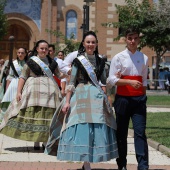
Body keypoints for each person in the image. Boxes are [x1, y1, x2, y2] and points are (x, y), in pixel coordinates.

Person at [45, 31, 118, 170]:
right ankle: (86, 162)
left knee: (96, 127)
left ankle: (90, 159)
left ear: (96, 44)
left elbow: (103, 83)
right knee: (82, 126)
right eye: (88, 42)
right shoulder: (78, 61)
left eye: (93, 42)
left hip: (96, 98)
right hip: (81, 95)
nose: (90, 45)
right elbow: (71, 82)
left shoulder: (101, 61)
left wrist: (107, 100)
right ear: (83, 44)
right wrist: (67, 102)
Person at [0, 40, 62, 150]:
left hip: (50, 93)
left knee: (48, 116)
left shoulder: (52, 63)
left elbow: (59, 75)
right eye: (42, 48)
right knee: (34, 115)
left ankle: (45, 141)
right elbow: (23, 76)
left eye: (46, 49)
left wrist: (70, 73)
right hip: (33, 91)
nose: (44, 50)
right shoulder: (30, 62)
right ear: (37, 49)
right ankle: (36, 141)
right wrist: (19, 92)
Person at [107, 27, 149, 170]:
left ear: (138, 39)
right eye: (130, 38)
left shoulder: (144, 58)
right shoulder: (118, 57)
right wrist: (128, 82)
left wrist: (143, 96)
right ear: (125, 39)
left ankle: (143, 165)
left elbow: (144, 81)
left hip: (138, 101)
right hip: (123, 100)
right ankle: (122, 164)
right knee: (121, 133)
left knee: (140, 133)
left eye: (135, 38)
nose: (132, 41)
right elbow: (111, 79)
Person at [0, 47, 28, 123]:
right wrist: (7, 90)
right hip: (14, 84)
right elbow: (10, 76)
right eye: (19, 52)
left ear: (25, 54)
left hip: (25, 84)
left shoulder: (28, 63)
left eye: (22, 53)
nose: (20, 54)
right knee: (10, 101)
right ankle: (6, 120)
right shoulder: (13, 64)